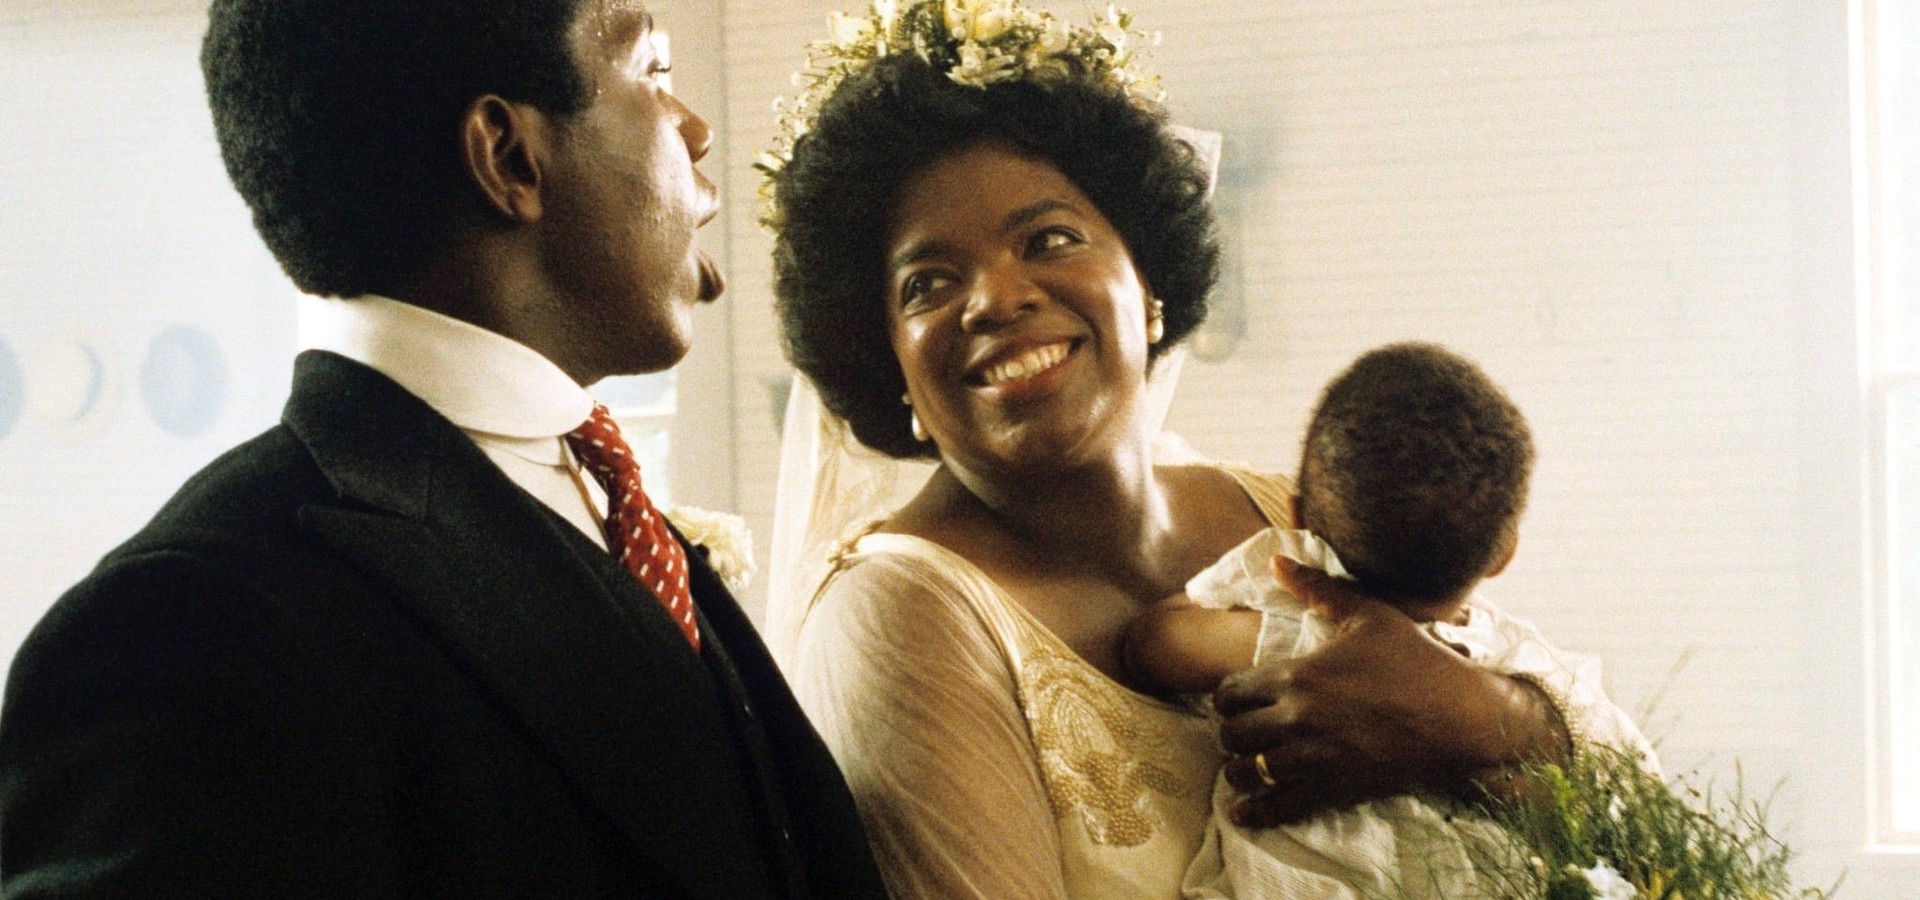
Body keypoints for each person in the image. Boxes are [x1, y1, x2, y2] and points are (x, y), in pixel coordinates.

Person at [0, 1, 889, 897]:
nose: (695, 130)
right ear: (508, 157)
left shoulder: (605, 503)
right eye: (653, 71)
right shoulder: (188, 632)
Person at [760, 2, 1600, 897]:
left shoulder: (1291, 514)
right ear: (886, 359)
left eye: (1049, 239)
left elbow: (1607, 808)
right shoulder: (897, 617)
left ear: (1149, 284)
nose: (997, 299)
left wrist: (1483, 717)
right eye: (929, 283)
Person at [1123, 342, 1655, 899]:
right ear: (1504, 554)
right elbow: (1623, 774)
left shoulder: (1296, 631)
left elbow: (1157, 644)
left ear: (1296, 515)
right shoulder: (1514, 661)